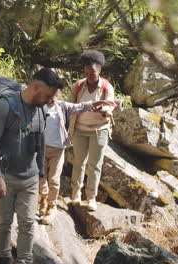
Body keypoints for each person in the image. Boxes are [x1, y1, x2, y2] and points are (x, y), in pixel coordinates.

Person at [0, 68, 64, 264]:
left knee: (28, 224)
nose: (50, 100)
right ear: (36, 87)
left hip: (30, 177)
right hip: (5, 175)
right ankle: (3, 259)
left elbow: (41, 142)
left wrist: (41, 174)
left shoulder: (42, 110)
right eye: (48, 95)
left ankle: (24, 261)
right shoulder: (5, 105)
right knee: (3, 223)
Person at [39, 98, 116, 224]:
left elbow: (80, 106)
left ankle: (51, 206)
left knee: (54, 180)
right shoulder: (39, 105)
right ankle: (43, 198)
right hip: (41, 148)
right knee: (41, 177)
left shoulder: (62, 106)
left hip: (58, 149)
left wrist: (98, 103)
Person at [68, 50, 115, 212]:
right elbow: (70, 106)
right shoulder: (79, 86)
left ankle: (91, 197)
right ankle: (75, 194)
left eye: (93, 72)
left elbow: (110, 105)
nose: (90, 75)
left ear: (100, 70)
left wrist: (105, 110)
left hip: (99, 131)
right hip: (79, 130)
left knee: (95, 165)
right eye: (87, 72)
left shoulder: (106, 87)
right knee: (79, 162)